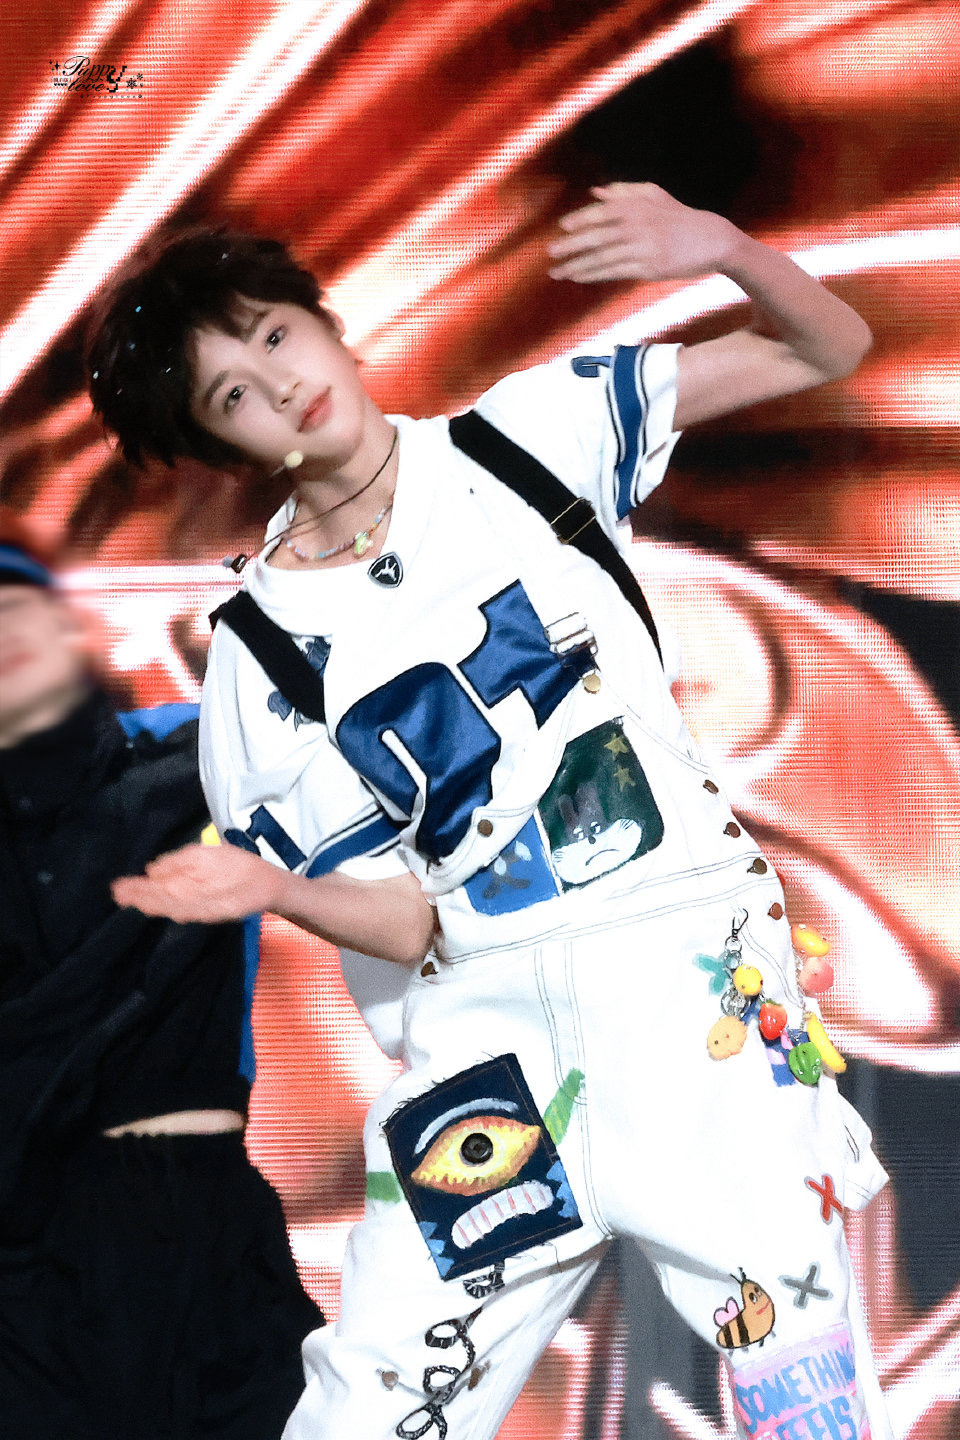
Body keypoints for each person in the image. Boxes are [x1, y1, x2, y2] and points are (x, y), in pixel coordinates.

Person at [88, 183, 893, 1440]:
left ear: (325, 322)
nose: (279, 383)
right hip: (489, 1056)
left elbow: (826, 345)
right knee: (373, 1415)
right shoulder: (260, 653)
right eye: (232, 394)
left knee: (804, 1397)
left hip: (688, 991)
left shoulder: (530, 440)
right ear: (228, 447)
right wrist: (276, 889)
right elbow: (411, 925)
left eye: (275, 335)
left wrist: (725, 248)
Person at [0, 511, 323, 1438]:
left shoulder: (202, 753)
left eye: (13, 607)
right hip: (25, 1260)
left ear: (67, 624)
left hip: (200, 1215)